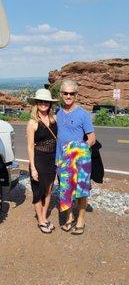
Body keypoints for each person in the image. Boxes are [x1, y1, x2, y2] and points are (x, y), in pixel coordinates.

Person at [56, 79, 96, 235]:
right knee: (65, 190)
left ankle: (81, 220)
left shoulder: (83, 114)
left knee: (81, 192)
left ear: (76, 95)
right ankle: (69, 218)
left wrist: (79, 148)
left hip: (79, 161)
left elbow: (91, 137)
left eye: (71, 93)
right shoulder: (57, 112)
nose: (68, 96)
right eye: (65, 93)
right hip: (61, 161)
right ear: (61, 94)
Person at [27, 88, 58, 234]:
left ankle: (44, 217)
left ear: (50, 104)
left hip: (52, 160)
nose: (43, 104)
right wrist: (33, 168)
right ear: (36, 103)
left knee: (48, 190)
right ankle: (40, 221)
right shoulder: (33, 122)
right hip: (38, 160)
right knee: (38, 191)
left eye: (46, 102)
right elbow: (30, 148)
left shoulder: (54, 119)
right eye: (40, 101)